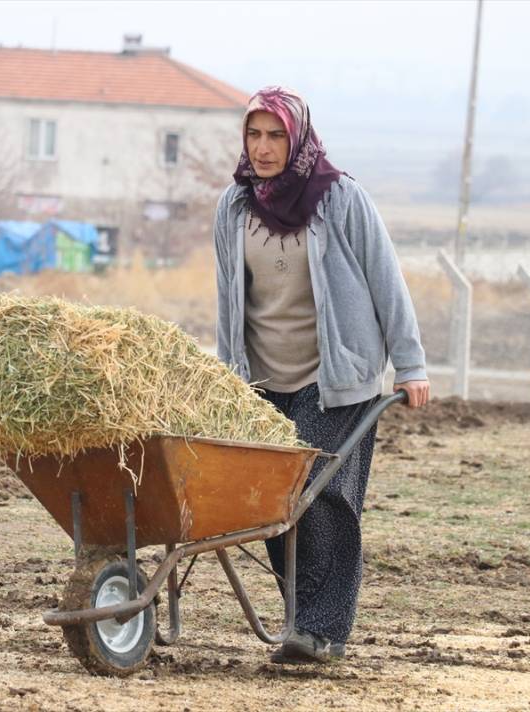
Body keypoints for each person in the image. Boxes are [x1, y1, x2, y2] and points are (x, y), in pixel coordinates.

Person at [213, 86, 429, 664]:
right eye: (254, 135)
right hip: (262, 380)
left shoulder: (340, 198)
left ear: (298, 136)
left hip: (335, 377)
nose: (263, 148)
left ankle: (320, 630)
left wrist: (410, 364)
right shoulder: (232, 208)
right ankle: (303, 618)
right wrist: (225, 376)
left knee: (320, 495)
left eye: (276, 135)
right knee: (272, 502)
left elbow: (386, 279)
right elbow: (229, 301)